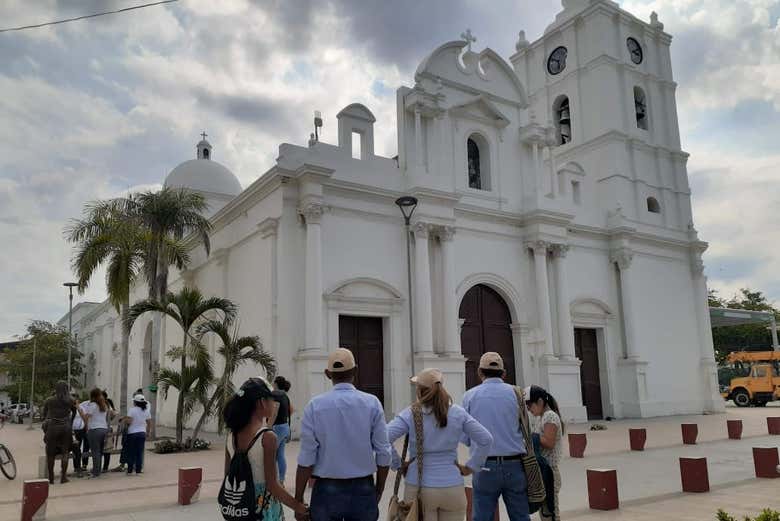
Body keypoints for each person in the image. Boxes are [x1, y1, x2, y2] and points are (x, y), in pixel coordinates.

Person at [295, 348, 392, 521]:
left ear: (327, 374)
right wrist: (378, 490)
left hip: (326, 489)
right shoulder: (372, 403)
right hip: (363, 487)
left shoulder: (314, 406)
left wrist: (298, 499)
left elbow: (306, 457)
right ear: (355, 370)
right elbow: (384, 453)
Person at [387, 368, 493, 521]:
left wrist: (398, 464)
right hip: (452, 486)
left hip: (419, 486)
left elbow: (383, 438)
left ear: (419, 390)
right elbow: (486, 439)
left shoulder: (411, 413)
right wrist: (471, 467)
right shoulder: (457, 413)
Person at [223, 377, 308, 519]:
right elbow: (272, 485)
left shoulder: (231, 435)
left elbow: (228, 474)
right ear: (262, 402)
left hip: (240, 507)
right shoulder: (267, 437)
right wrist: (298, 507)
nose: (274, 404)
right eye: (271, 399)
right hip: (263, 507)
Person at [462, 352, 534, 521]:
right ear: (504, 373)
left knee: (482, 517)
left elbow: (465, 437)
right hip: (514, 464)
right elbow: (526, 429)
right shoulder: (517, 394)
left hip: (484, 465)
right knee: (521, 517)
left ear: (480, 372)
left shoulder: (469, 396)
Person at [526, 385, 563, 521]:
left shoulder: (550, 416)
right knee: (545, 513)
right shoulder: (540, 417)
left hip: (550, 472)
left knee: (550, 512)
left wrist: (532, 436)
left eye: (530, 405)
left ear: (540, 402)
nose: (528, 409)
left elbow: (549, 442)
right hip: (543, 471)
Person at [42, 381, 76, 484]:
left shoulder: (49, 400)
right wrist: (70, 422)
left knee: (50, 454)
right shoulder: (70, 400)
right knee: (65, 452)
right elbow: (74, 412)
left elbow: (44, 415)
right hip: (66, 427)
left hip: (53, 426)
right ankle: (63, 477)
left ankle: (51, 478)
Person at [80, 388, 115, 478]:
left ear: (92, 396)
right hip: (104, 429)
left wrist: (79, 410)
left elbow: (85, 418)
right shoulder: (104, 405)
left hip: (94, 430)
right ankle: (98, 469)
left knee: (95, 452)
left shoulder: (92, 405)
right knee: (100, 452)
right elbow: (109, 417)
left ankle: (96, 472)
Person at [269, 375, 293, 484]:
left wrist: (268, 427)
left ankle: (273, 480)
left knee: (272, 455)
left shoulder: (276, 395)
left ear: (276, 384)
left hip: (277, 427)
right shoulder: (285, 396)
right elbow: (291, 410)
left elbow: (274, 412)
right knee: (280, 455)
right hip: (284, 427)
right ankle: (281, 480)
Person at [121, 394, 151, 475]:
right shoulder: (146, 411)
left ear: (135, 402)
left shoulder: (132, 410)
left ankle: (130, 470)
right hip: (142, 433)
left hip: (132, 433)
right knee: (139, 452)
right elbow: (149, 423)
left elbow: (129, 422)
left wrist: (125, 421)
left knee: (131, 452)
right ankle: (138, 470)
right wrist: (148, 432)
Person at [71, 393, 89, 475]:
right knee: (76, 448)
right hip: (73, 431)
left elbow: (85, 418)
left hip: (82, 429)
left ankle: (84, 465)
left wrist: (78, 407)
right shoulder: (69, 409)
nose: (74, 401)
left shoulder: (81, 407)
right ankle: (76, 466)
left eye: (76, 399)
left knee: (85, 447)